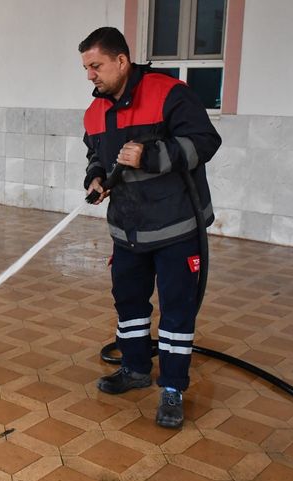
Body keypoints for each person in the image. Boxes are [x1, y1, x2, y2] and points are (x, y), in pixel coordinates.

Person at [78, 27, 221, 428]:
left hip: (175, 226)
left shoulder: (168, 92)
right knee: (129, 304)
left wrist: (152, 154)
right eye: (86, 68)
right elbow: (95, 154)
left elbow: (205, 141)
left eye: (96, 66)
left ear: (121, 61)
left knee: (176, 310)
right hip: (127, 231)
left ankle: (172, 387)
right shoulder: (94, 112)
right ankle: (136, 369)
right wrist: (96, 178)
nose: (90, 75)